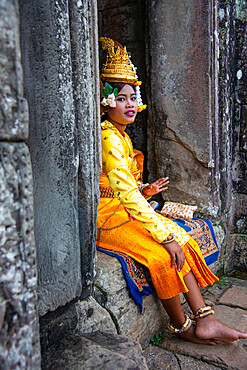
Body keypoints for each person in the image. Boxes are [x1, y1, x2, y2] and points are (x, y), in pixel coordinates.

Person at [97, 37, 247, 345]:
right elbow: (119, 194)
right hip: (107, 220)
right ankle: (181, 327)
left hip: (125, 209)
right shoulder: (109, 138)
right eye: (121, 99)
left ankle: (205, 319)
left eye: (132, 97)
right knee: (164, 254)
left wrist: (145, 190)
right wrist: (161, 234)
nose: (129, 105)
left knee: (183, 237)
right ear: (107, 102)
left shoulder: (120, 136)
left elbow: (122, 186)